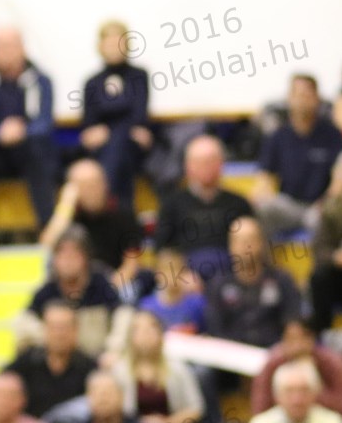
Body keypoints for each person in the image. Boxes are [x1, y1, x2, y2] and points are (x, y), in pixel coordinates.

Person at [0, 27, 58, 238]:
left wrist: (21, 132)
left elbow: (44, 123)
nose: (6, 52)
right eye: (1, 46)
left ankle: (47, 230)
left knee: (39, 152)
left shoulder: (40, 80)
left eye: (11, 46)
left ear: (23, 49)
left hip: (26, 150)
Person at [252, 74, 342, 241]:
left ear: (317, 99)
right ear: (289, 98)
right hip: (288, 204)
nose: (302, 101)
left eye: (307, 95)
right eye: (298, 95)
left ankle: (324, 258)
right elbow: (264, 177)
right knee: (261, 210)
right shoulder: (278, 136)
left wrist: (326, 202)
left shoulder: (332, 135)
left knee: (329, 217)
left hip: (319, 206)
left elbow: (340, 176)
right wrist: (261, 194)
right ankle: (265, 258)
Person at [77, 21, 153, 214]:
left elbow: (139, 116)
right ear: (100, 46)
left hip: (132, 145)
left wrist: (109, 129)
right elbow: (89, 122)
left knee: (119, 145)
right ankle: (124, 213)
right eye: (109, 43)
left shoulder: (139, 76)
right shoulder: (92, 82)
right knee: (117, 150)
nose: (113, 48)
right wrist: (114, 129)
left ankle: (105, 201)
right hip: (104, 146)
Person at [153, 135, 255, 280]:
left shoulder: (239, 204)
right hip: (186, 279)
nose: (206, 166)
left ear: (221, 164)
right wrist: (181, 277)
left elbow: (252, 247)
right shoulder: (172, 205)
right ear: (188, 166)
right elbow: (163, 250)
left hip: (231, 278)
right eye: (199, 162)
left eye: (211, 161)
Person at [17, 228, 126, 360]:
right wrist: (54, 334)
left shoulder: (100, 284)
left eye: (74, 255)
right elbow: (24, 321)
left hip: (97, 357)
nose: (68, 261)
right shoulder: (48, 290)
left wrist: (113, 349)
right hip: (60, 359)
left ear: (86, 258)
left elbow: (123, 314)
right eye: (62, 255)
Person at [39, 160, 144, 294]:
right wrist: (66, 204)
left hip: (112, 282)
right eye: (84, 186)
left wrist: (109, 288)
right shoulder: (68, 217)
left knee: (129, 292)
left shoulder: (122, 214)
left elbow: (132, 262)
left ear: (105, 184)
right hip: (73, 284)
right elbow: (47, 245)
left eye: (95, 184)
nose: (92, 191)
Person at [205, 217, 303, 351]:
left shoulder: (282, 280)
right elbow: (215, 331)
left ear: (261, 242)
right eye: (240, 241)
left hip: (273, 353)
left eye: (251, 240)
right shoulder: (218, 285)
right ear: (230, 245)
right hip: (230, 355)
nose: (246, 246)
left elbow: (293, 323)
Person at [110, 311, 203, 423]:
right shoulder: (119, 371)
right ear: (130, 336)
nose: (145, 334)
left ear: (160, 334)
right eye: (138, 329)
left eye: (151, 328)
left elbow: (196, 408)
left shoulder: (178, 368)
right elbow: (114, 410)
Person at [7, 303, 97, 422]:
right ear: (44, 329)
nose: (59, 334)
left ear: (76, 330)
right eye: (54, 327)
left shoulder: (89, 367)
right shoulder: (26, 362)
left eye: (64, 327)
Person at [252, 319, 342, 418]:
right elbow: (260, 409)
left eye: (301, 338)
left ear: (311, 339)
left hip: (324, 422)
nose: (297, 346)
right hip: (281, 422)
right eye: (291, 339)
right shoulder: (272, 363)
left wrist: (315, 389)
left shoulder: (333, 363)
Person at [310, 152, 342, 334]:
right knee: (319, 276)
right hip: (340, 277)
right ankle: (322, 332)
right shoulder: (331, 210)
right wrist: (337, 257)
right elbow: (319, 250)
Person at [136, 247, 206, 334]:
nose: (171, 276)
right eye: (166, 270)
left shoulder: (197, 303)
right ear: (157, 274)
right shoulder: (147, 306)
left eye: (176, 270)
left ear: (184, 273)